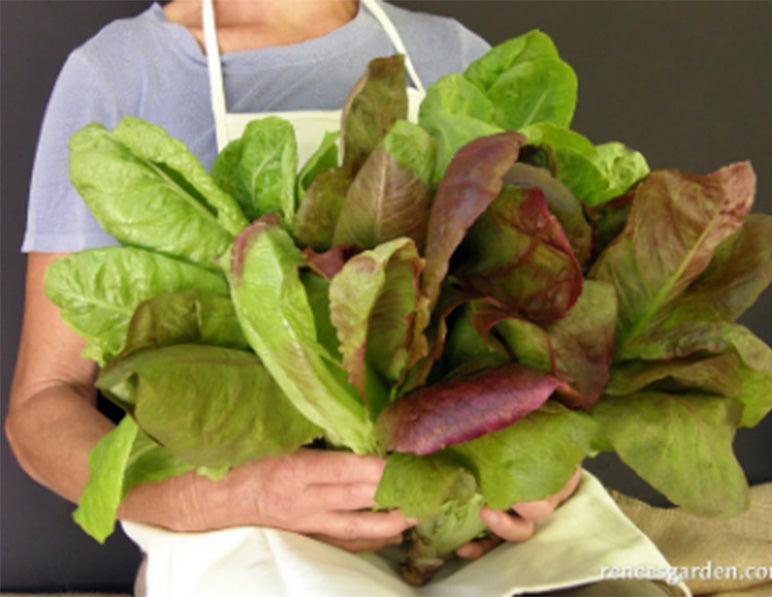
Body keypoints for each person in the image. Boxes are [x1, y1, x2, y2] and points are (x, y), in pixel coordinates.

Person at [6, 0, 580, 570]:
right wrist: (212, 499)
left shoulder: (449, 54)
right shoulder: (125, 71)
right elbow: (42, 403)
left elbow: (543, 317)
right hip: (244, 556)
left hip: (461, 542)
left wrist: (540, 468)